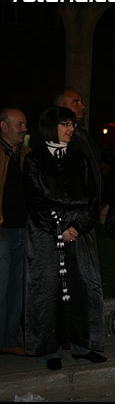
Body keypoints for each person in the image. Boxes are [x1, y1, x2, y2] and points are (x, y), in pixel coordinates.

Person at [22, 106, 106, 370]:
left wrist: (78, 227)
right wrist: (59, 227)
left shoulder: (80, 158)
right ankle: (52, 349)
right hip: (47, 236)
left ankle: (83, 345)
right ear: (51, 127)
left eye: (72, 124)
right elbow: (35, 199)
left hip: (80, 235)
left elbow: (92, 197)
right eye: (65, 124)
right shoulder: (34, 160)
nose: (71, 129)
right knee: (49, 290)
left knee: (83, 288)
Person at [0, 108, 29, 357]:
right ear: (3, 126)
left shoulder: (24, 155)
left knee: (16, 290)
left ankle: (9, 339)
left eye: (24, 124)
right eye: (19, 124)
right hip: (2, 231)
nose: (24, 129)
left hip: (22, 230)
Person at [53, 86, 102, 198]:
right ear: (60, 106)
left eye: (81, 102)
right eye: (75, 102)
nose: (82, 106)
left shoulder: (84, 134)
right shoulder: (56, 138)